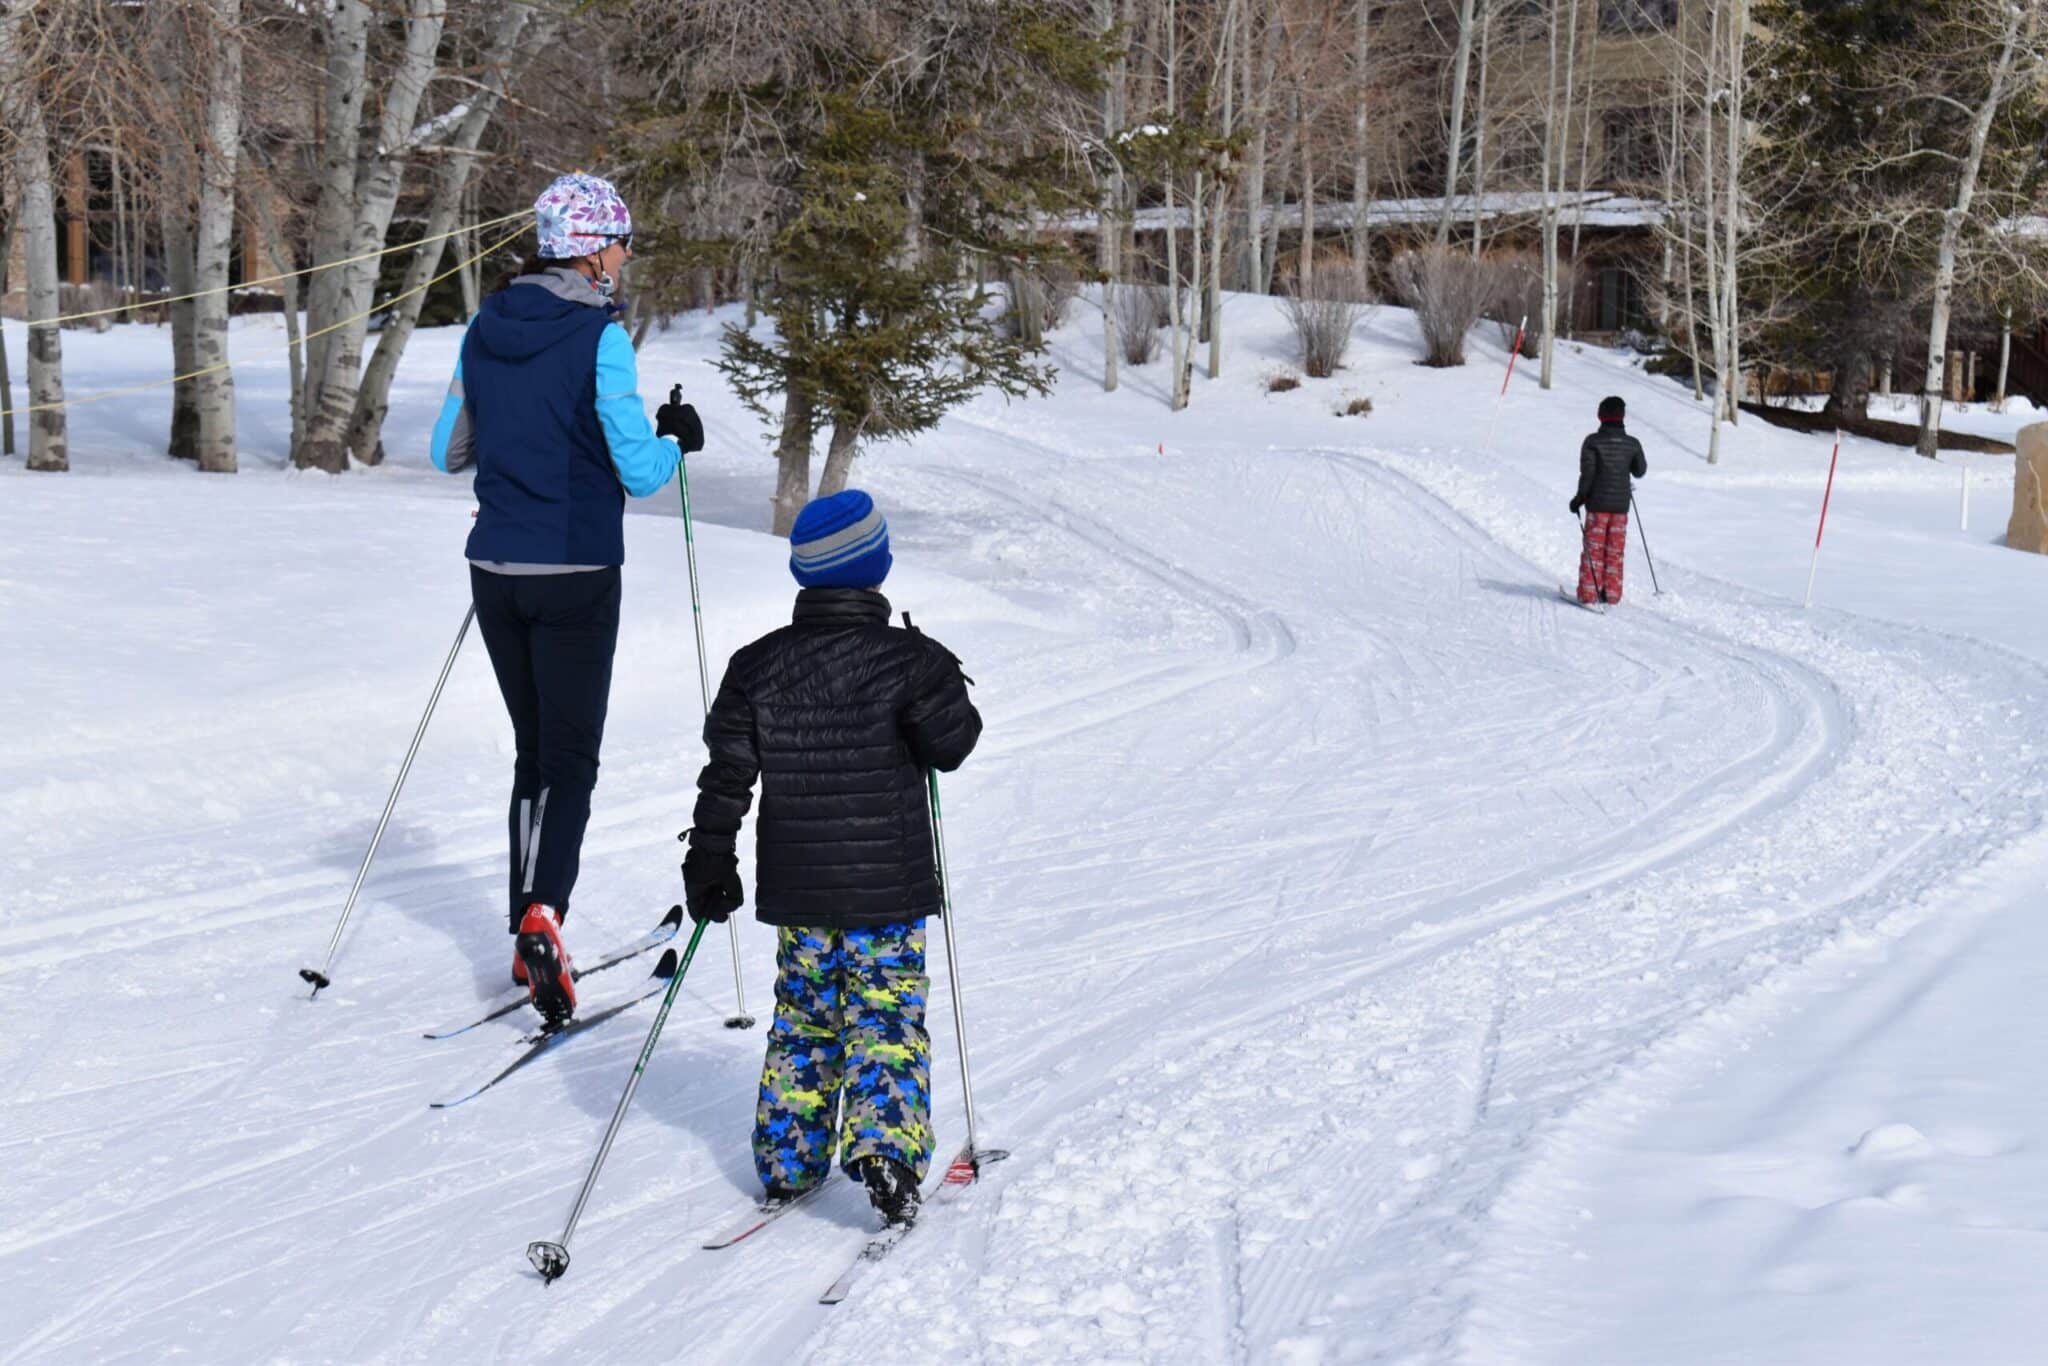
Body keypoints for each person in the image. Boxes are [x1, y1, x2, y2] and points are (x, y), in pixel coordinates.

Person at [429, 172, 706, 1024]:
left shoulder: (483, 325)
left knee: (532, 751)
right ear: (591, 249)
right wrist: (674, 441)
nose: (625, 255)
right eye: (620, 241)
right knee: (573, 759)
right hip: (578, 570)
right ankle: (545, 914)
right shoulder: (601, 338)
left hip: (497, 567)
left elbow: (447, 448)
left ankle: (524, 928)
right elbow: (639, 469)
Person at [681, 489, 981, 1227]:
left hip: (800, 891)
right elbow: (954, 744)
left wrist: (710, 859)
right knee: (883, 1014)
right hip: (889, 891)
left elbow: (727, 775)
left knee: (808, 1017)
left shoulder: (757, 666)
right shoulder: (911, 660)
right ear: (877, 565)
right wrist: (935, 677)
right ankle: (884, 1147)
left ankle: (788, 1158)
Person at [1569, 394, 1648, 605]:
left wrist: (1578, 499)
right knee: (1615, 550)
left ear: (1600, 416)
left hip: (1597, 505)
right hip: (1621, 506)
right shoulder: (1632, 444)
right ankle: (1612, 594)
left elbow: (1588, 475)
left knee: (1593, 549)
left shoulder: (1592, 442)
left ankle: (1589, 594)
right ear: (1622, 416)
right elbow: (1640, 471)